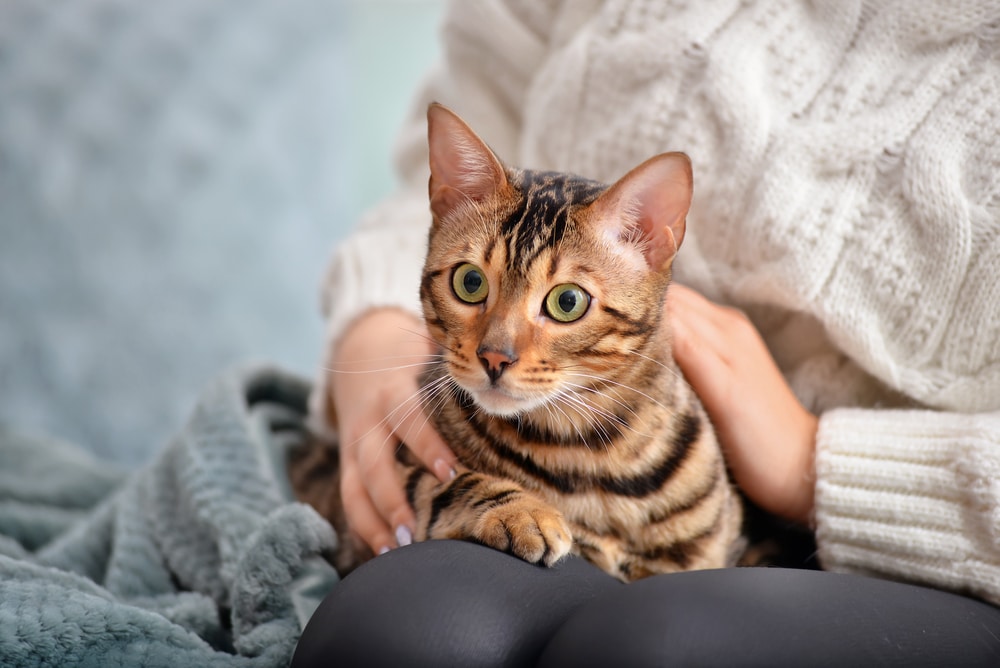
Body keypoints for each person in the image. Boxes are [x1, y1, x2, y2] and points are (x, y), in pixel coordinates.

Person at [297, 1, 1000, 664]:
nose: (498, 351)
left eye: (563, 304)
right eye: (472, 290)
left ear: (654, 244)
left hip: (882, 549)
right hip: (520, 435)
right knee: (400, 632)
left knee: (651, 646)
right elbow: (449, 179)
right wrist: (376, 326)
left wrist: (812, 460)